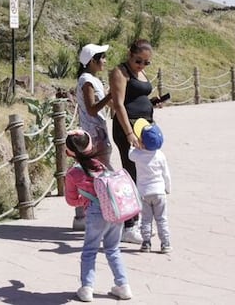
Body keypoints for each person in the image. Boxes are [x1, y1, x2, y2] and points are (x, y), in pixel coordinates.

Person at [64, 129, 133, 302]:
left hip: (95, 213)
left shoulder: (73, 173)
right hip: (115, 210)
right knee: (113, 248)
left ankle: (87, 288)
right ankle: (123, 286)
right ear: (91, 147)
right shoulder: (100, 164)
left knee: (89, 250)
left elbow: (72, 201)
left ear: (68, 152)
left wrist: (84, 200)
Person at [108, 39, 157, 244]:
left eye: (146, 63)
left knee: (145, 174)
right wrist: (129, 133)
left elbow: (139, 97)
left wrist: (153, 104)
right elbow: (119, 105)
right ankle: (129, 225)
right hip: (128, 129)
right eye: (139, 61)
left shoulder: (140, 72)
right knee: (132, 174)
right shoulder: (120, 72)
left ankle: (138, 222)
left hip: (144, 127)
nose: (142, 66)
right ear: (130, 54)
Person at [72, 43, 113, 230]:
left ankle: (83, 214)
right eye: (101, 58)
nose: (104, 61)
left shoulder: (93, 79)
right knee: (101, 172)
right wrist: (110, 96)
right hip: (93, 133)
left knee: (95, 171)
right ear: (91, 61)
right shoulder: (86, 81)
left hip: (98, 130)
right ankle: (109, 210)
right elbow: (91, 108)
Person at [129, 118, 171, 253]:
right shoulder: (160, 155)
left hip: (144, 193)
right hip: (159, 192)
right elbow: (166, 174)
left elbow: (129, 154)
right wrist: (168, 188)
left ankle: (146, 243)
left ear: (142, 142)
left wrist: (133, 144)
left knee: (146, 220)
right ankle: (165, 243)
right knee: (162, 219)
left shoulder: (137, 154)